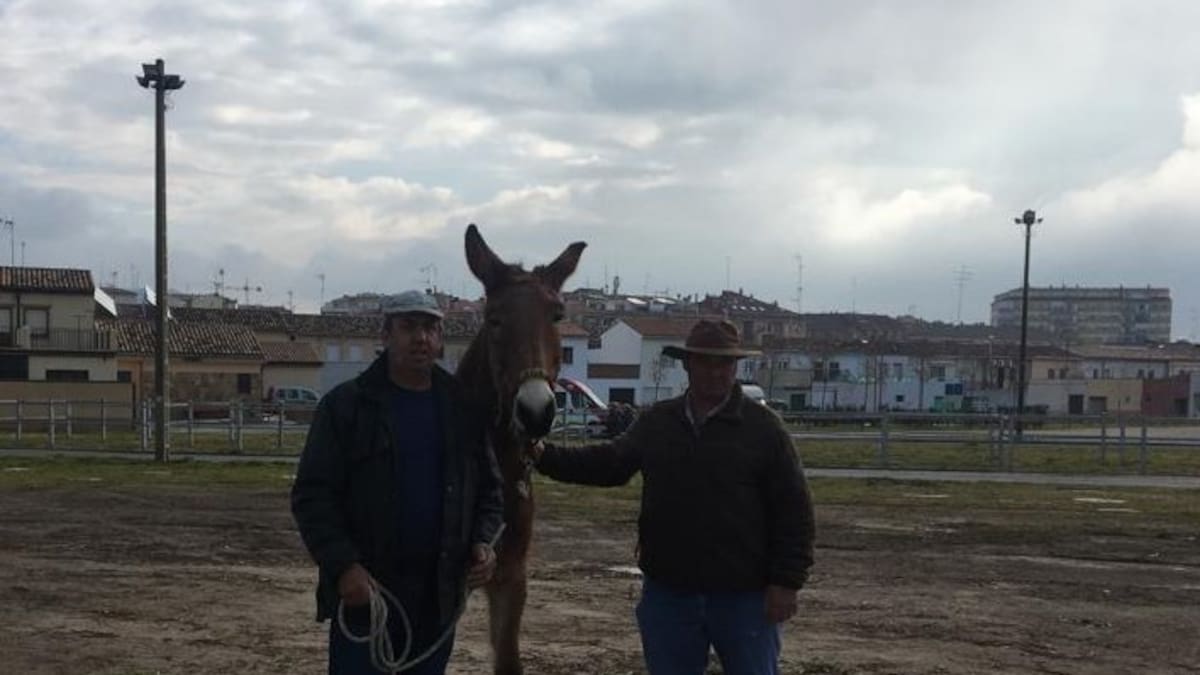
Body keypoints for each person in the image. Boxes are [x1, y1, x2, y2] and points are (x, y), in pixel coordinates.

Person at [532, 319, 815, 675]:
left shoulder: (764, 429)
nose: (715, 372)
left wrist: (786, 583)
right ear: (687, 364)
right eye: (705, 362)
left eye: (725, 363)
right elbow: (610, 463)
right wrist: (543, 455)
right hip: (669, 595)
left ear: (735, 367)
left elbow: (794, 511)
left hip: (745, 598)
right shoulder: (658, 422)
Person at [291, 290, 505, 675]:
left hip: (437, 602)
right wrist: (344, 567)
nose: (420, 337)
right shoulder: (346, 406)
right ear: (386, 335)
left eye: (430, 328)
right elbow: (313, 496)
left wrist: (482, 543)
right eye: (408, 327)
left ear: (440, 339)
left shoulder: (463, 409)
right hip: (367, 597)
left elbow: (490, 491)